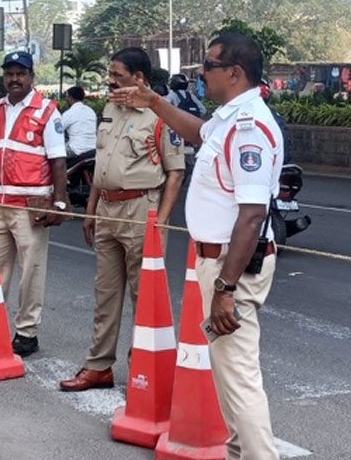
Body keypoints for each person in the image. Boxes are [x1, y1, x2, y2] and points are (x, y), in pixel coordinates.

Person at [111, 31, 283, 459]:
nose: (201, 73)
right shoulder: (228, 119)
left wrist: (225, 288)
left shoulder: (248, 128)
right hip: (217, 261)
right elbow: (199, 133)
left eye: (208, 66)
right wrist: (154, 101)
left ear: (235, 72)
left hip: (231, 266)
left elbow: (252, 215)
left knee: (238, 377)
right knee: (227, 375)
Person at [61, 47, 185, 392]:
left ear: (139, 78)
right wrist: (90, 210)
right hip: (106, 210)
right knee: (105, 294)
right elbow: (102, 164)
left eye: (117, 75)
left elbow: (175, 174)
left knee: (145, 298)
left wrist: (159, 221)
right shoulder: (110, 109)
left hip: (141, 210)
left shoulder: (161, 114)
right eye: (110, 74)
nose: (110, 80)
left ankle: (144, 369)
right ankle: (98, 366)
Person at [0, 50, 70, 358]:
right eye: (9, 74)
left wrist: (60, 202)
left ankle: (27, 333)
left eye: (20, 74)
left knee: (31, 273)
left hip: (30, 206)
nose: (14, 79)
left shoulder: (47, 111)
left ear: (31, 77)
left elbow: (58, 161)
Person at [61, 85, 97, 161]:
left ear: (70, 98)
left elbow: (57, 130)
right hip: (93, 149)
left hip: (76, 150)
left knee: (53, 152)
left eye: (67, 97)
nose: (66, 99)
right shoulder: (91, 111)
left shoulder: (69, 113)